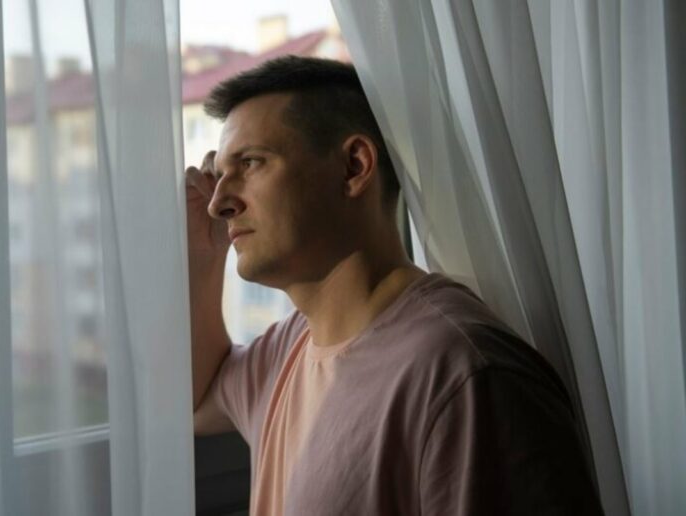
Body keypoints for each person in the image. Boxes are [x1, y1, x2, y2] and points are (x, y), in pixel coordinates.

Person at [186, 56, 603, 515]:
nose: (218, 204)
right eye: (219, 175)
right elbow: (197, 398)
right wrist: (203, 254)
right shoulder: (291, 346)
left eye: (251, 163)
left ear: (354, 166)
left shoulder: (464, 374)